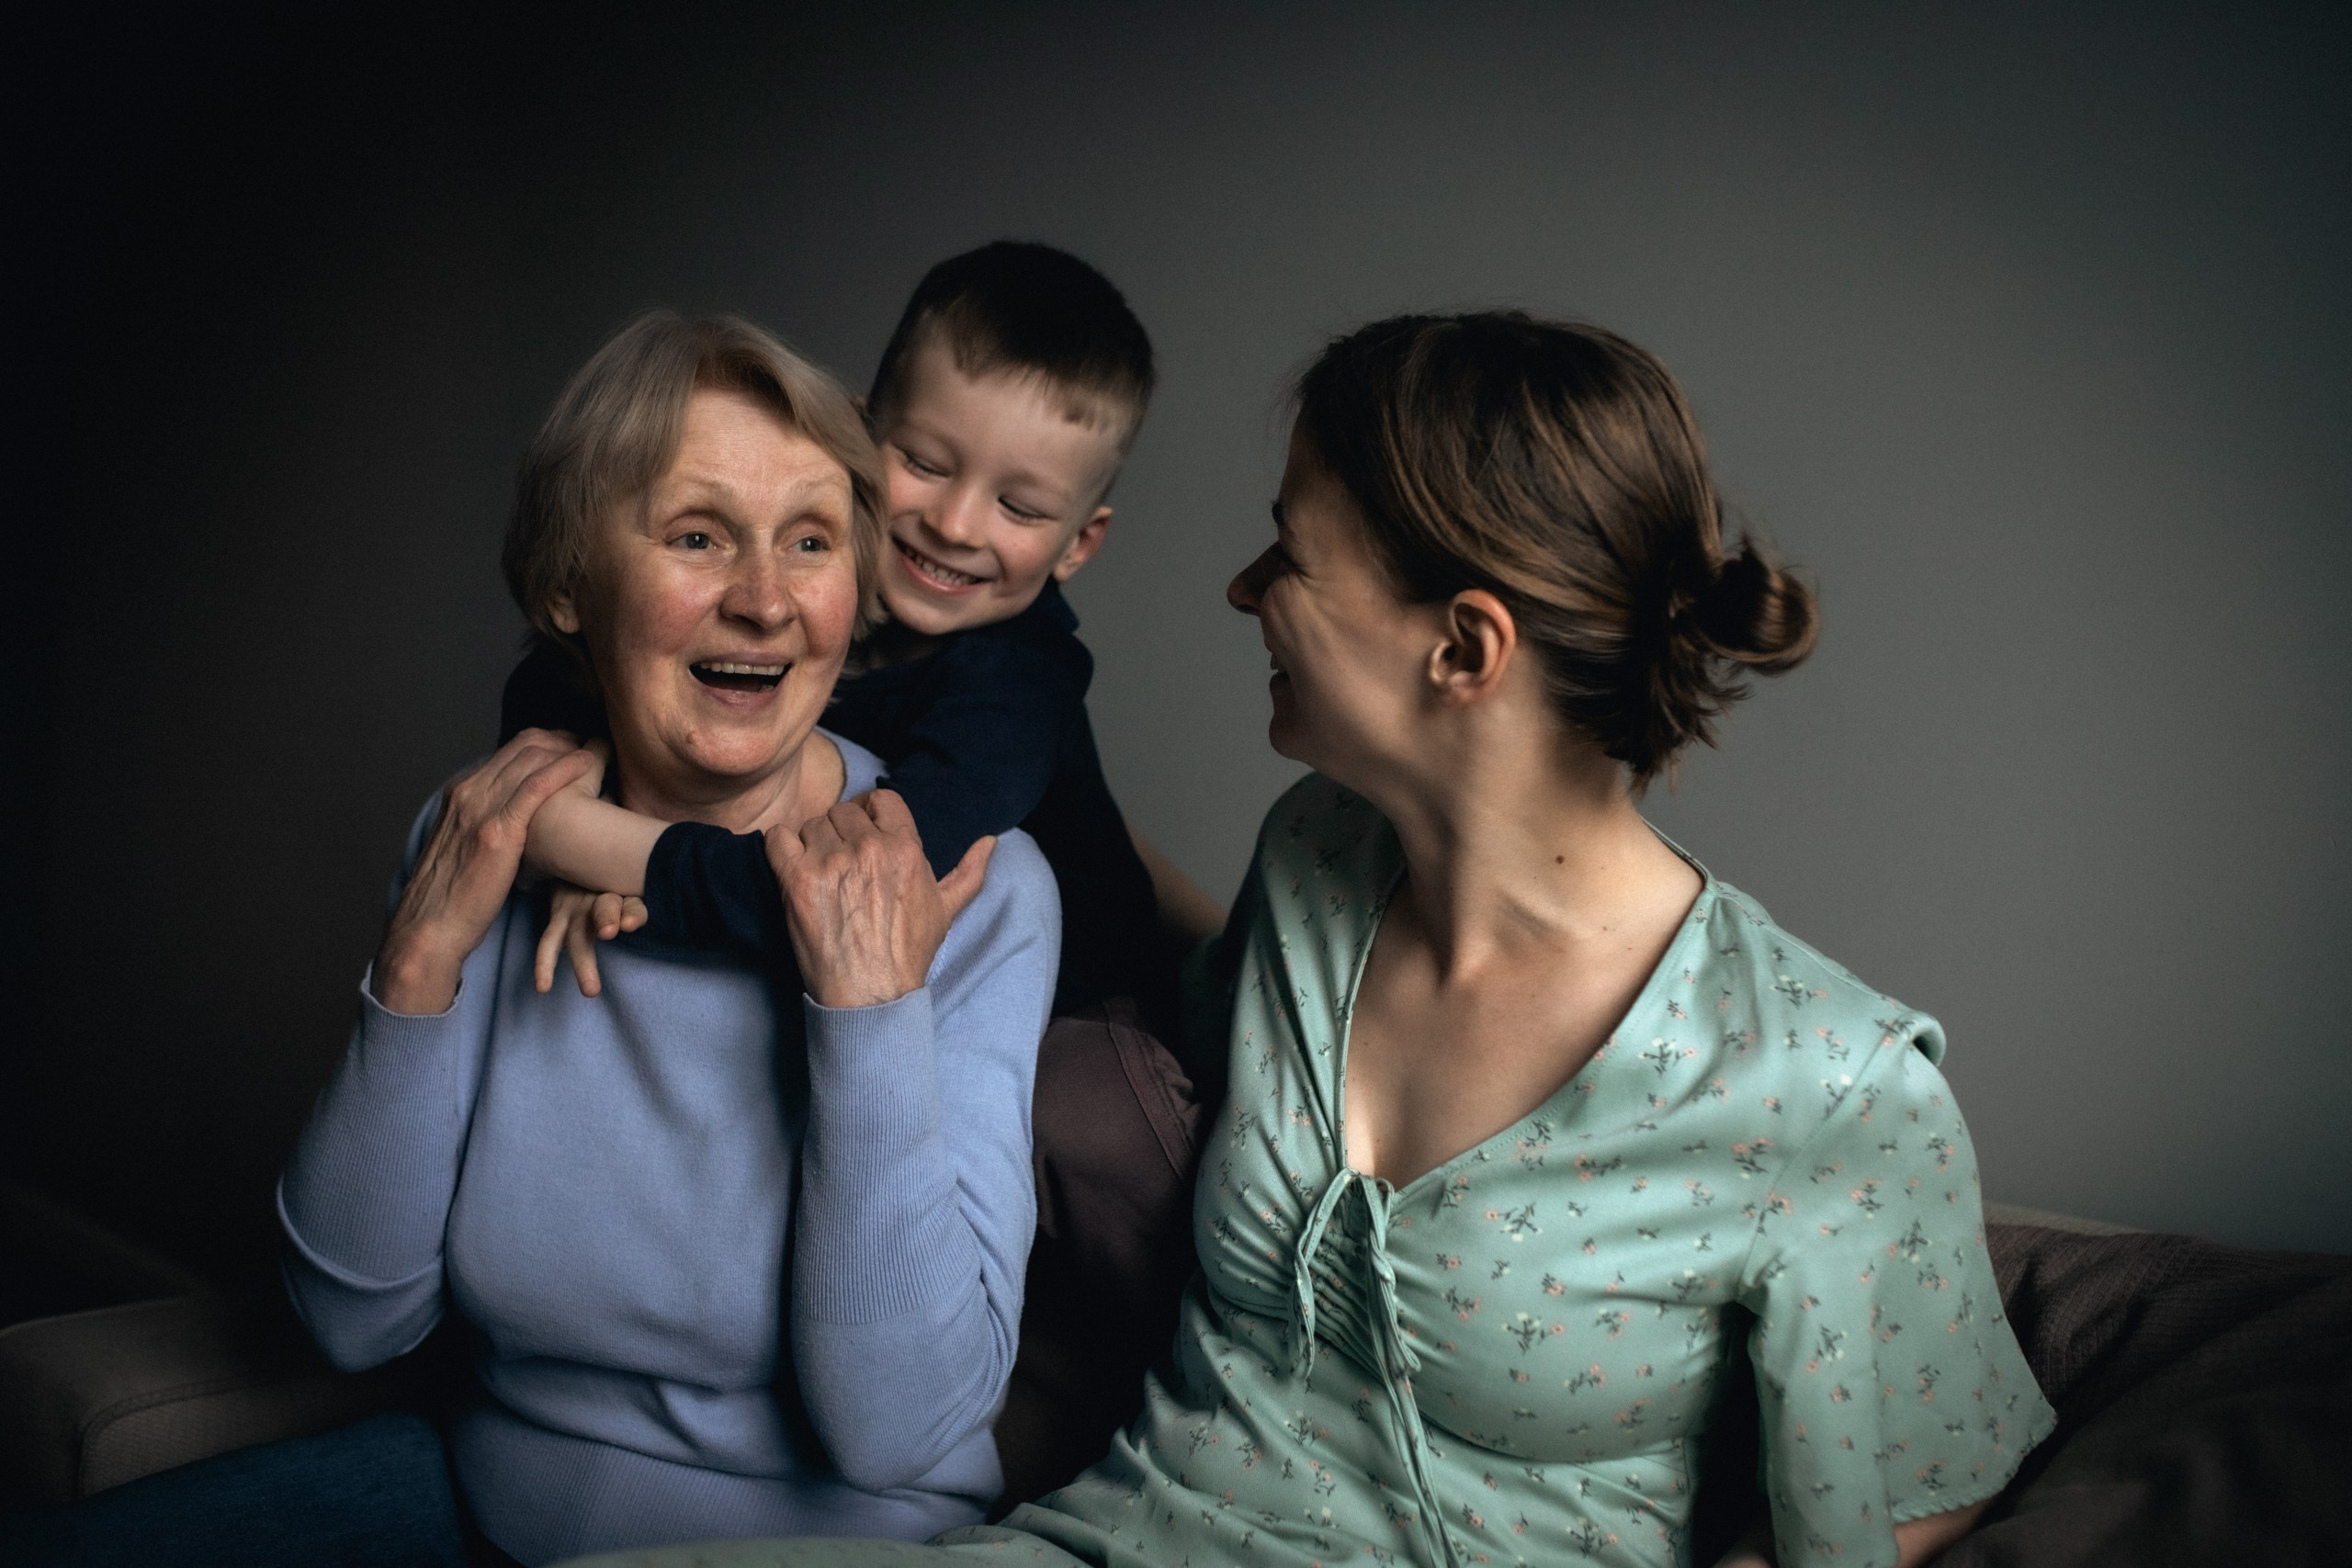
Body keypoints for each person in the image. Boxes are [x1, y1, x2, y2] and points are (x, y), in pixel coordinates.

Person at [577, 311, 2056, 1568]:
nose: (1240, 591)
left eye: (1287, 551)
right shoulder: (1315, 863)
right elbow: (1127, 975)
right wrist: (625, 817)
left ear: (1463, 647)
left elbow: (1921, 1497)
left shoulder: (1825, 1082)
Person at [275, 310, 1062, 1564]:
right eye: (697, 536)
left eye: (809, 541)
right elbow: (349, 1320)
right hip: (485, 1508)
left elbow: (902, 1428)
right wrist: (417, 965)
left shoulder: (970, 886)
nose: (761, 600)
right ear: (567, 586)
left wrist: (864, 1012)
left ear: (854, 589)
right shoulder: (497, 827)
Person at [506, 242, 1223, 1029]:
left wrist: (572, 838)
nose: (952, 525)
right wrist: (579, 781)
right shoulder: (797, 603)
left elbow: (841, 890)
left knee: (1087, 1116)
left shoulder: (1017, 689)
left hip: (1089, 1022)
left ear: (1079, 545)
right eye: (922, 461)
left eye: (1019, 508)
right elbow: (561, 675)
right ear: (854, 437)